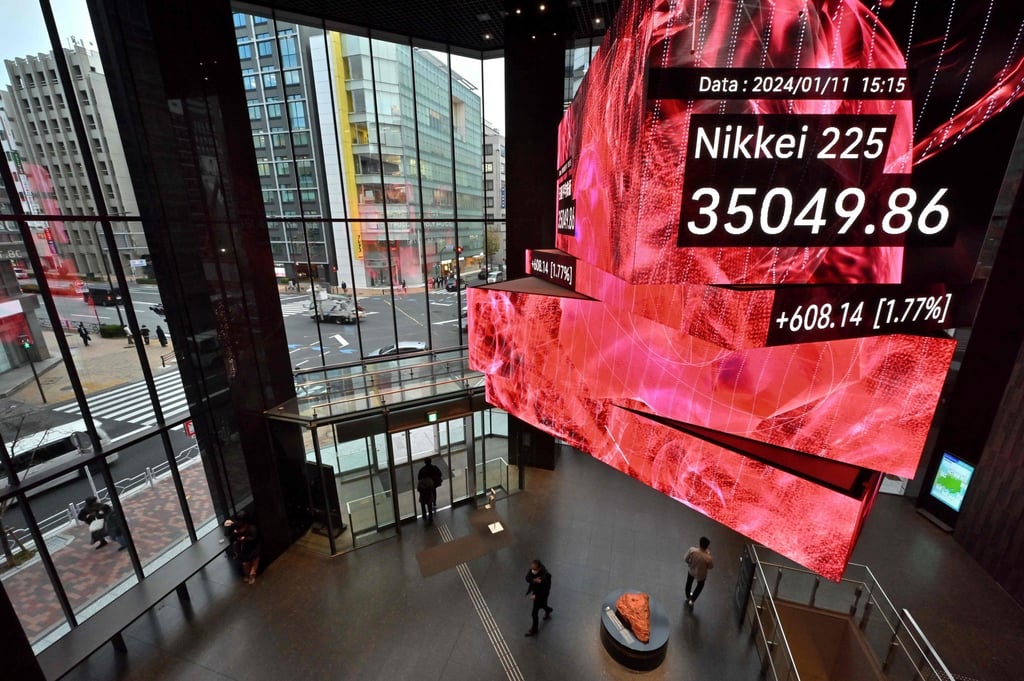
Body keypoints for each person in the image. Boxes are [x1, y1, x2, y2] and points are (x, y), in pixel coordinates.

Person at [227, 517, 262, 584]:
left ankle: (252, 574)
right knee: (245, 563)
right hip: (244, 549)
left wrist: (245, 539)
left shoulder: (252, 529)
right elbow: (230, 538)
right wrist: (234, 533)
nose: (240, 531)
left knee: (255, 559)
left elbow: (254, 539)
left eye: (240, 529)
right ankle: (247, 575)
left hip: (253, 548)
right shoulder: (237, 530)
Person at [524, 559, 553, 636]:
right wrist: (534, 580)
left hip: (542, 595)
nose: (532, 570)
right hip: (537, 592)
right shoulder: (533, 570)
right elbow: (527, 577)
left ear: (539, 568)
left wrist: (535, 596)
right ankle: (548, 610)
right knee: (543, 606)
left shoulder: (544, 577)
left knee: (534, 613)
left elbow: (545, 590)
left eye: (534, 569)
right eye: (531, 568)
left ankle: (534, 629)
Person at [684, 536, 714, 608]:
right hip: (701, 575)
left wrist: (689, 563)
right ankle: (692, 600)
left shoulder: (692, 550)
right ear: (707, 546)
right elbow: (711, 567)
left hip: (691, 571)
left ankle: (688, 596)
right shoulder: (708, 557)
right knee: (699, 586)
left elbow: (686, 559)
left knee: (689, 583)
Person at [416, 457, 443, 524]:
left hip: (423, 492)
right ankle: (433, 505)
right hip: (431, 486)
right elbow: (440, 474)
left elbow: (418, 479)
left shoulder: (422, 470)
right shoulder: (434, 468)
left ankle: (424, 515)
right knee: (432, 495)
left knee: (423, 504)